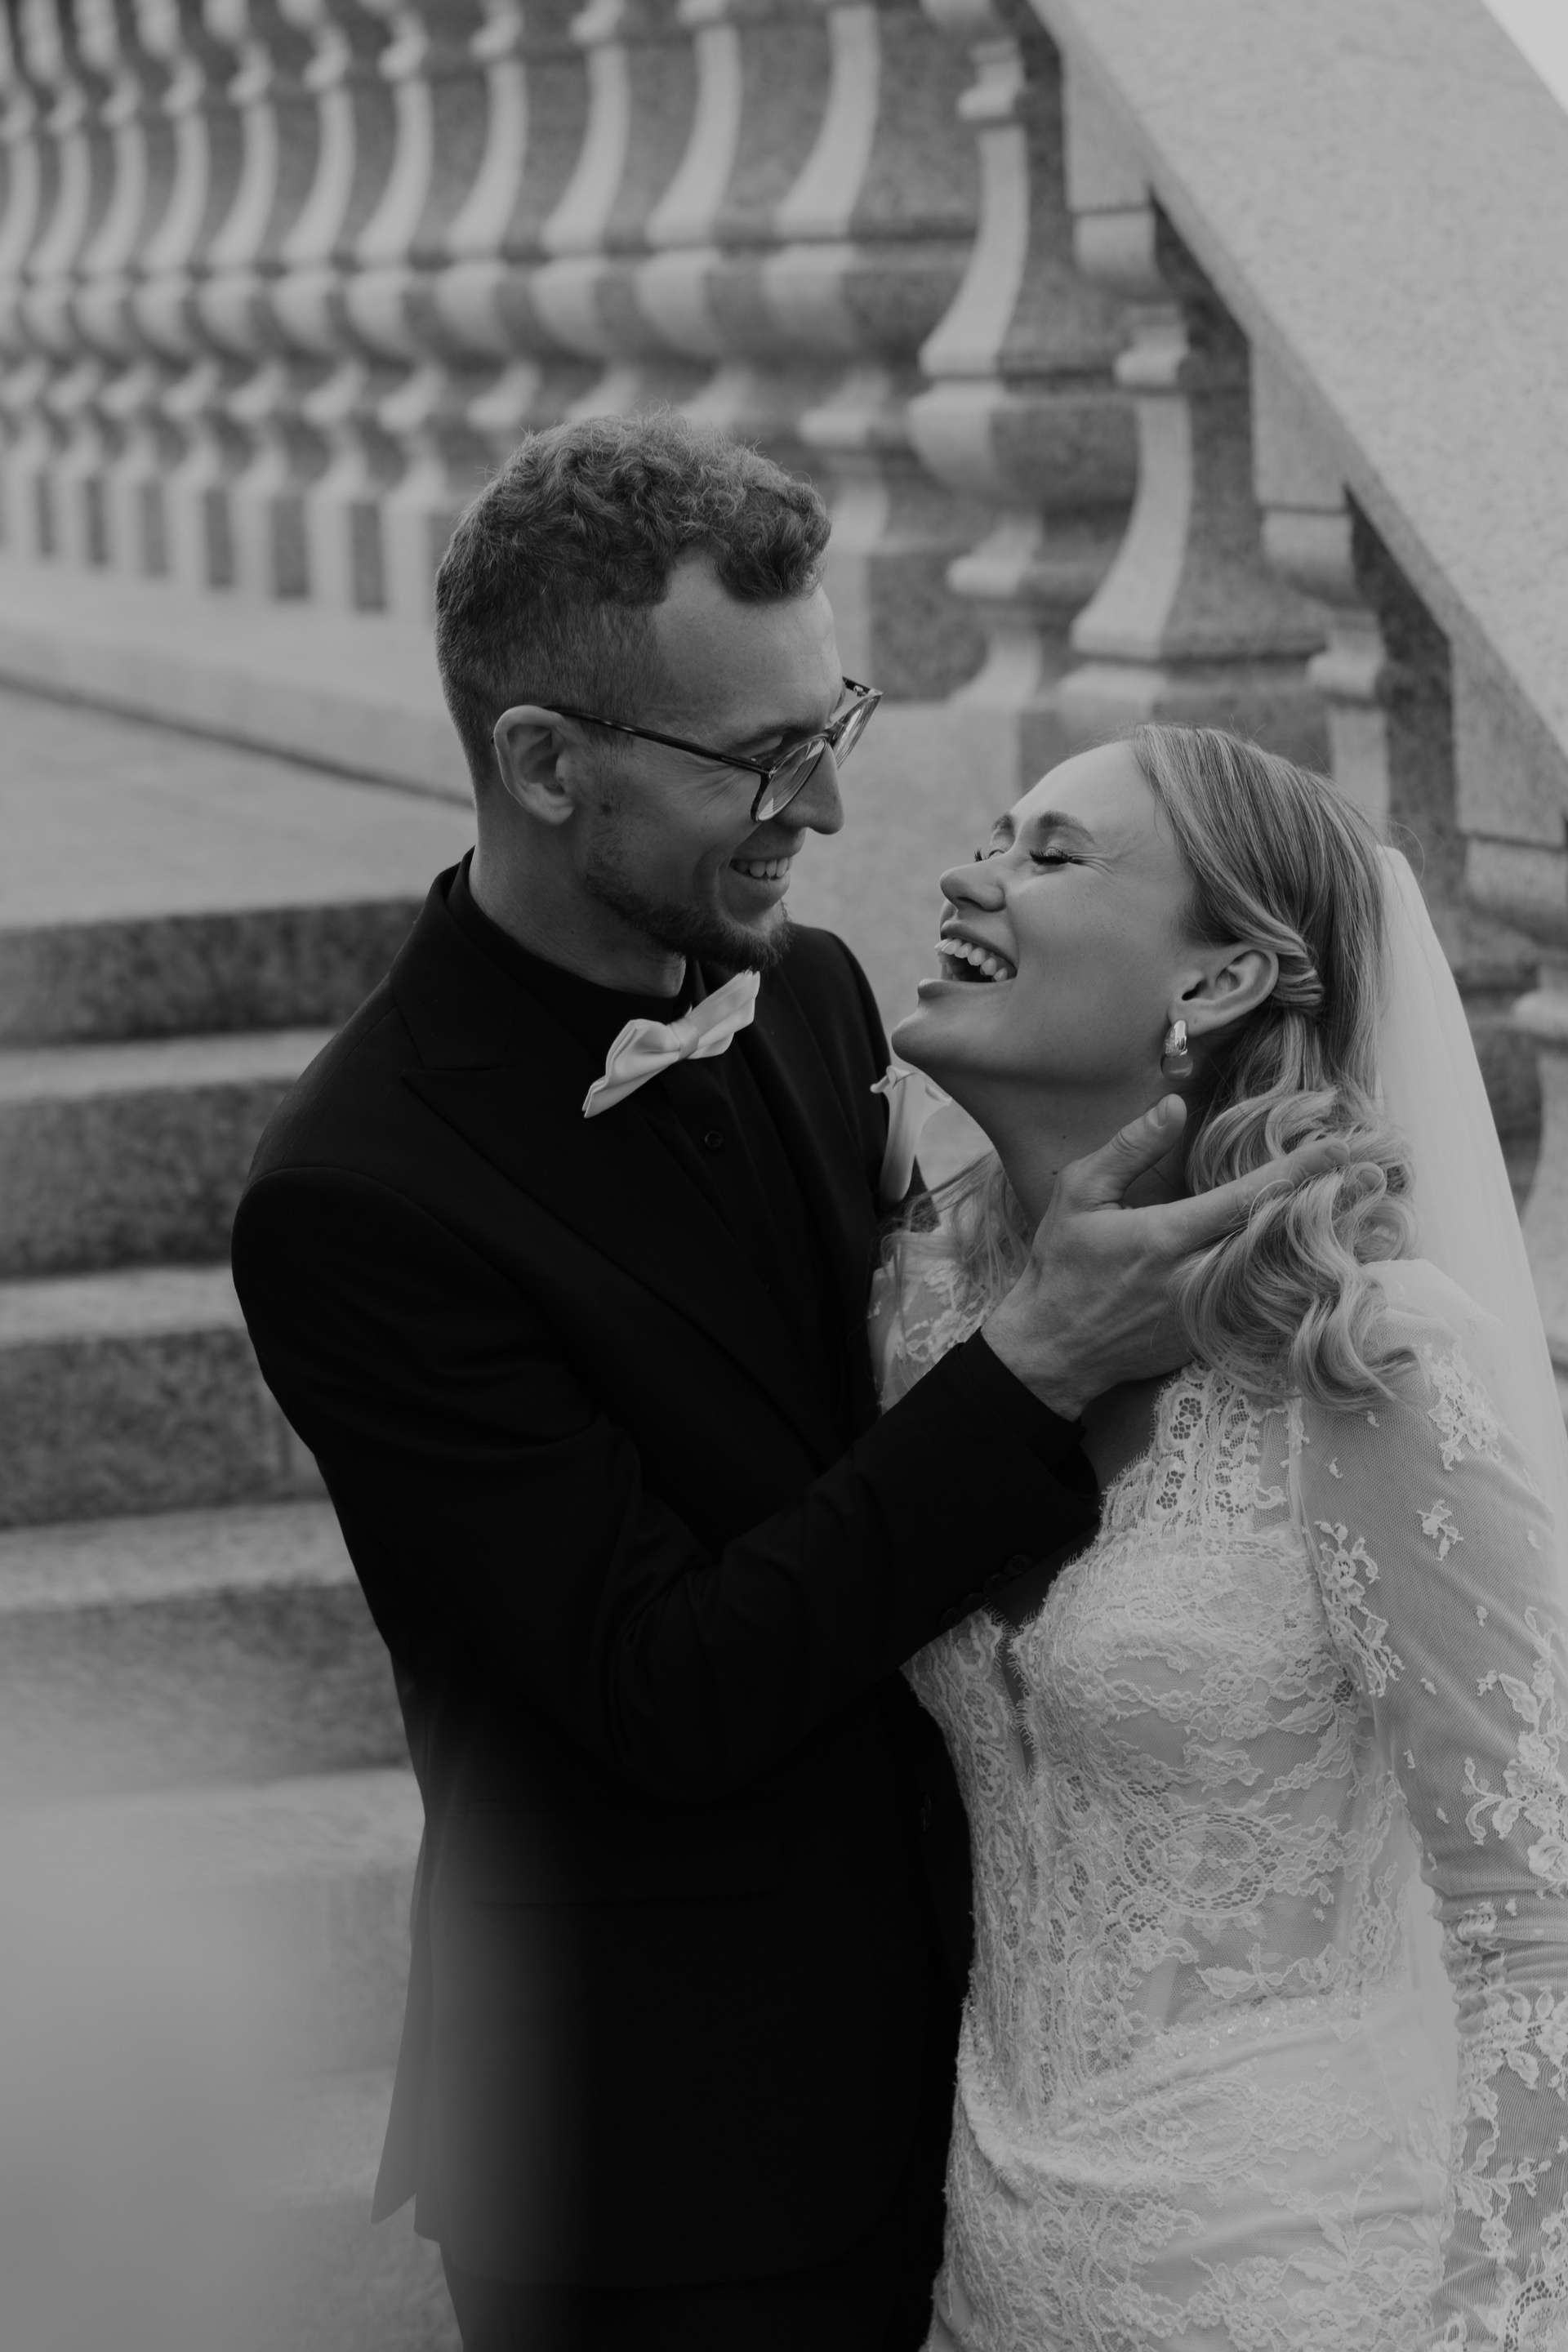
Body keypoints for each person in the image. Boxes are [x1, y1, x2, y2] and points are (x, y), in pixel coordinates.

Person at [230, 417, 1328, 2350]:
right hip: (668, 2153)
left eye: (833, 729)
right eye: (757, 759)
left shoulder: (812, 992)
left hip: (1018, 2085)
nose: (819, 807)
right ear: (544, 764)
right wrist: (1034, 1367)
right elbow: (665, 1685)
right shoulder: (357, 1196)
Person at [875, 722, 1568, 2351]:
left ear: (1222, 979)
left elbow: (1536, 1923)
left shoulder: (1363, 1363)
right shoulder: (928, 1328)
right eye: (993, 835)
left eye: (1052, 853)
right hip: (989, 2278)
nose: (973, 874)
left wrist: (1501, 2323)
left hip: (1305, 2284)